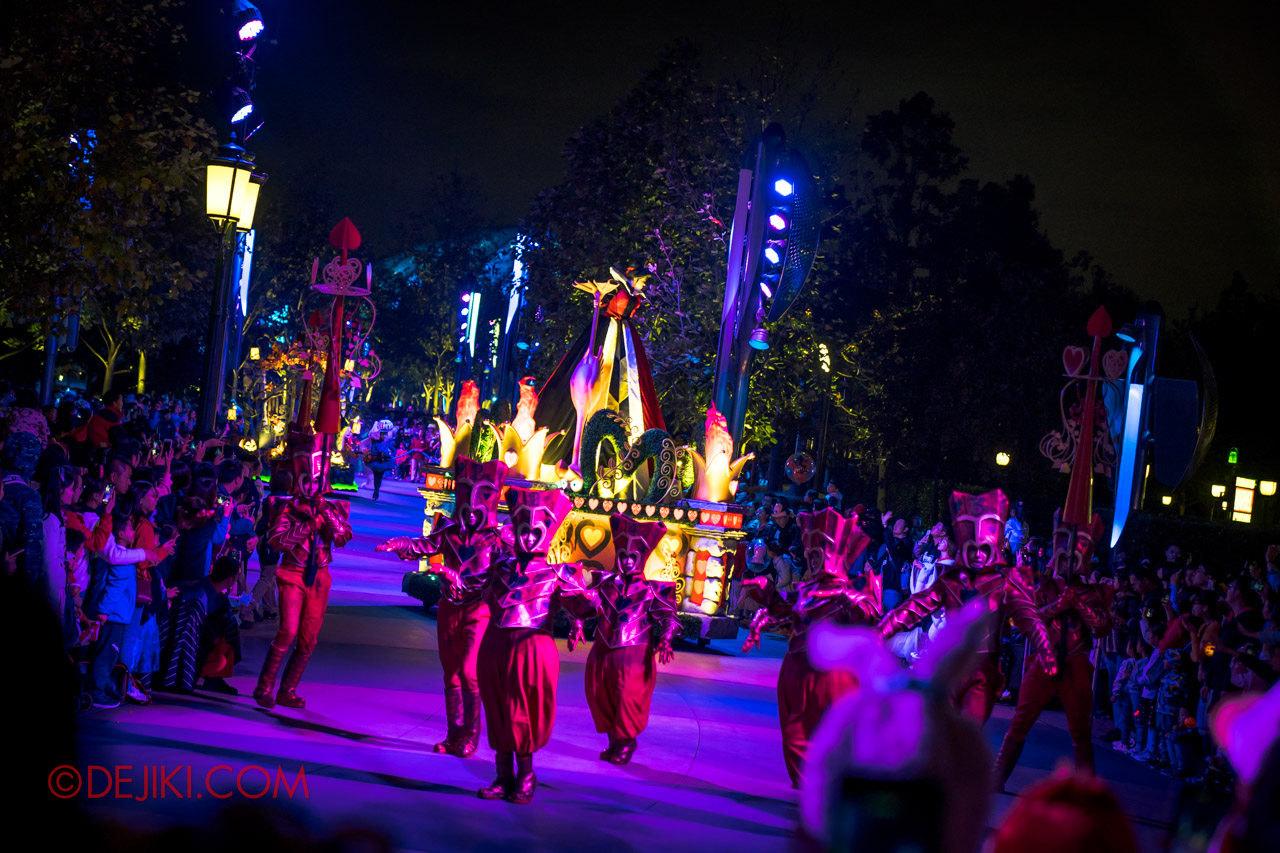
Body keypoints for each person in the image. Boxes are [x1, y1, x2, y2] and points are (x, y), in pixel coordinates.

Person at [879, 490, 1057, 724]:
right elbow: (913, 608)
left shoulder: (1006, 581)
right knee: (940, 727)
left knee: (968, 731)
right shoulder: (951, 580)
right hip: (951, 663)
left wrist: (1047, 653)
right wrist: (880, 632)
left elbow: (1029, 619)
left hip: (982, 671)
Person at [377, 457, 509, 754]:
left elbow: (499, 577)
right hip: (449, 607)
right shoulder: (449, 533)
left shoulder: (496, 541)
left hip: (478, 611)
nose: (473, 512)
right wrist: (397, 543)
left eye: (480, 504)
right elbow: (422, 545)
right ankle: (454, 734)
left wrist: (452, 574)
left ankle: (471, 736)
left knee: (468, 671)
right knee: (450, 672)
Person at [473, 487, 595, 803]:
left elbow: (582, 606)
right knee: (498, 710)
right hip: (496, 644)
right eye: (524, 531)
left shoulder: (559, 573)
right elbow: (474, 584)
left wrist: (580, 611)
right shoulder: (499, 566)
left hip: (532, 649)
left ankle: (526, 775)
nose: (528, 538)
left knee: (522, 713)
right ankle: (502, 775)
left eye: (535, 532)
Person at [741, 507, 878, 788]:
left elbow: (869, 617)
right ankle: (813, 785)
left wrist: (856, 600)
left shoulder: (848, 594)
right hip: (795, 670)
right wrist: (759, 620)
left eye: (817, 555)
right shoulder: (804, 591)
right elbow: (780, 609)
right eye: (810, 555)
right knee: (794, 730)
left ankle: (821, 788)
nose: (811, 560)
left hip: (831, 675)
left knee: (823, 732)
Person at [994, 513, 1113, 790]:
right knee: (1020, 722)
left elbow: (1102, 628)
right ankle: (998, 777)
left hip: (1076, 664)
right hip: (1043, 662)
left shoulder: (1092, 592)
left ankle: (1087, 790)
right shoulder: (1043, 587)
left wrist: (1079, 604)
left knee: (1081, 733)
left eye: (1074, 559)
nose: (1069, 564)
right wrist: (1060, 604)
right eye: (1065, 559)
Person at [583, 514, 680, 765]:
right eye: (623, 556)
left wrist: (667, 638)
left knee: (627, 697)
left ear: (641, 559)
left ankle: (626, 741)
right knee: (600, 694)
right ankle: (615, 741)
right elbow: (581, 603)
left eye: (632, 557)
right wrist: (576, 622)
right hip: (603, 647)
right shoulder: (604, 582)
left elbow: (669, 617)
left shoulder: (652, 589)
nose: (626, 562)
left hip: (634, 653)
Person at [252, 468, 353, 708]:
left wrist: (326, 514)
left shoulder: (333, 507)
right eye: (306, 481)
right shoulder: (286, 508)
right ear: (298, 482)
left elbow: (342, 537)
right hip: (292, 573)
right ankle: (264, 687)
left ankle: (287, 690)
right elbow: (277, 542)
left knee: (308, 640)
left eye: (316, 481)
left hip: (319, 577)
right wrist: (309, 525)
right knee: (287, 631)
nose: (311, 486)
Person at [364, 430, 396, 501]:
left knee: (379, 477)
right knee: (376, 477)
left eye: (384, 435)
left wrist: (389, 456)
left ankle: (376, 491)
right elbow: (373, 449)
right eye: (382, 435)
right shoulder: (375, 442)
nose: (383, 436)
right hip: (376, 462)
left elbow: (393, 450)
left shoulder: (387, 443)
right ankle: (375, 492)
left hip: (383, 463)